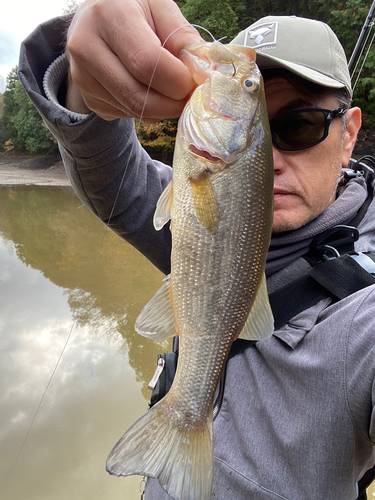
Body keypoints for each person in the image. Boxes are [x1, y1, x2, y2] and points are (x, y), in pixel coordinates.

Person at [19, 0, 375, 498]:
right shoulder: (193, 202)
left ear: (348, 135)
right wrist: (85, 85)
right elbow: (108, 171)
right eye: (259, 114)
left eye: (298, 125)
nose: (270, 158)